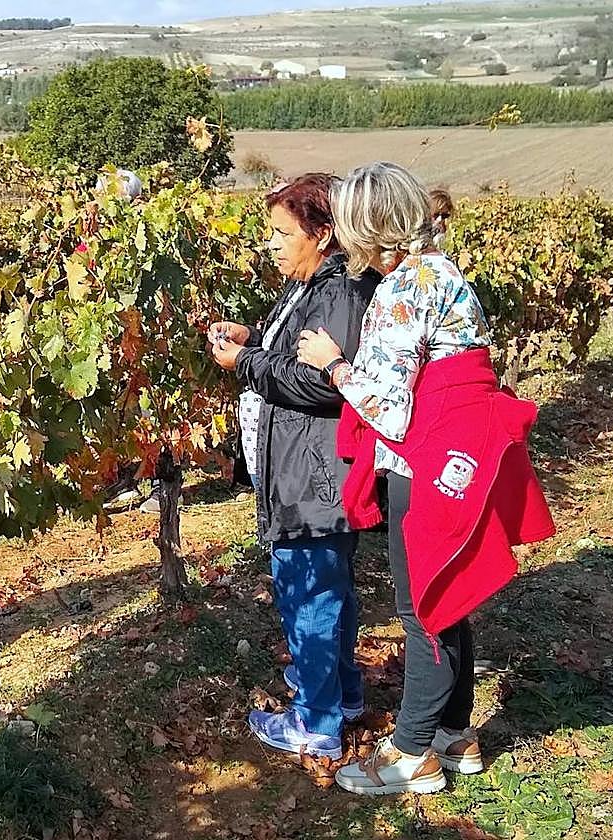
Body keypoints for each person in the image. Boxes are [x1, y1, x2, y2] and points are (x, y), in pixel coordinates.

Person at [296, 161, 554, 795]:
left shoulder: (401, 290)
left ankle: (411, 751)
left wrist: (333, 366)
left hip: (423, 463)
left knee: (423, 612)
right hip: (460, 457)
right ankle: (456, 735)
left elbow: (390, 406)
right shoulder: (445, 273)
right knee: (450, 598)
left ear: (367, 227)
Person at [208, 173, 377, 761]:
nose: (271, 245)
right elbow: (298, 351)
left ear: (323, 232)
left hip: (315, 474)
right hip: (301, 469)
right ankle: (340, 694)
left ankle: (317, 725)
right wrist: (254, 337)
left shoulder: (341, 291)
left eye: (282, 233)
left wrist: (245, 362)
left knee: (310, 594)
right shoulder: (314, 283)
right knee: (325, 590)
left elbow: (321, 381)